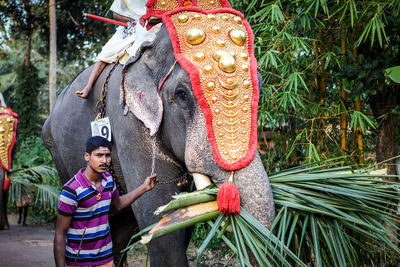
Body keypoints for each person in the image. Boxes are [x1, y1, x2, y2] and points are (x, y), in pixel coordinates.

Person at [54, 136, 157, 267]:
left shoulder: (108, 180)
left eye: (107, 156)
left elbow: (117, 205)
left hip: (106, 259)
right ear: (87, 156)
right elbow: (60, 234)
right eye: (99, 155)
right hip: (79, 262)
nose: (104, 160)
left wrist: (144, 188)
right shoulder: (71, 190)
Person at [75, 0, 148, 99]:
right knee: (105, 54)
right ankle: (88, 87)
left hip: (152, 27)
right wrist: (134, 19)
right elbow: (116, 15)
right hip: (131, 28)